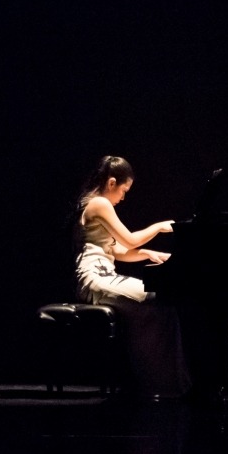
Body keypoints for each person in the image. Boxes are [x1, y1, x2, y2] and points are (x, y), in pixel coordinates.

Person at [74, 154, 192, 400]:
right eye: (124, 190)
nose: (123, 197)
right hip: (94, 278)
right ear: (111, 183)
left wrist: (149, 253)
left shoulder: (96, 204)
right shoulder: (99, 203)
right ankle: (160, 386)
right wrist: (158, 227)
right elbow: (128, 239)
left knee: (161, 302)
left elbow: (116, 250)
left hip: (103, 275)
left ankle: (168, 385)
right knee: (156, 301)